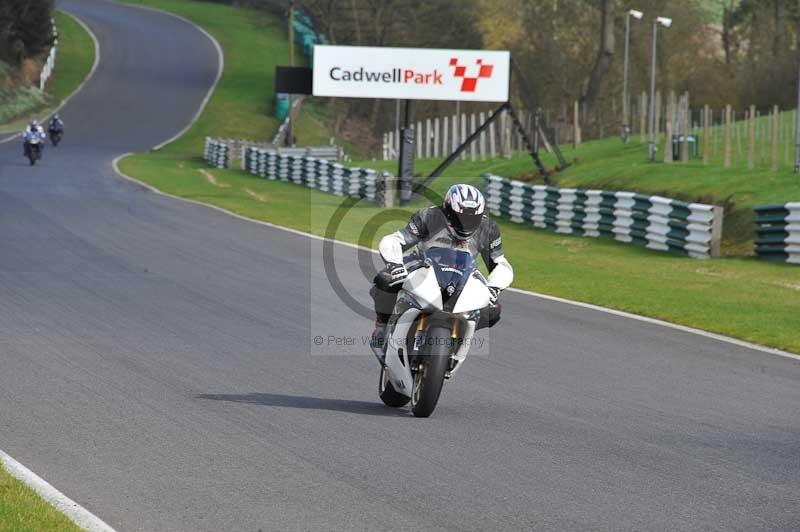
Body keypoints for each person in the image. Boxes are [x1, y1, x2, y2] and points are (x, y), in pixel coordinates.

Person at [370, 184, 514, 347]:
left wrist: (494, 288)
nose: (465, 223)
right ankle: (382, 326)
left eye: (471, 218)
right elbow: (396, 240)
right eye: (459, 217)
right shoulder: (429, 216)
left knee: (493, 310)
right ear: (447, 209)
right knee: (385, 279)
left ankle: (459, 336)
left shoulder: (488, 228)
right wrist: (395, 265)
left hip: (464, 271)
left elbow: (500, 263)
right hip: (422, 262)